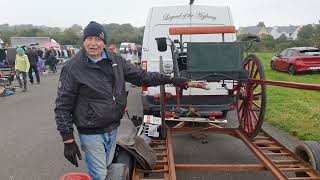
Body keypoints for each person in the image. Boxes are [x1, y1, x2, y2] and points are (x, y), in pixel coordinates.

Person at [54, 21, 189, 180]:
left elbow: (142, 76)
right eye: (89, 39)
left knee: (108, 166)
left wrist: (171, 79)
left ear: (104, 42)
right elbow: (63, 105)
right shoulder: (72, 68)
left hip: (113, 127)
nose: (93, 43)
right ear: (83, 41)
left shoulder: (115, 60)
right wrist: (68, 139)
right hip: (91, 132)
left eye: (97, 39)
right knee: (100, 175)